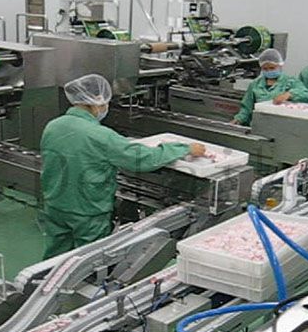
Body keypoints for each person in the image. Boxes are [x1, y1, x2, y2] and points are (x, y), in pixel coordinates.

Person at [40, 74, 206, 259]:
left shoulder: (53, 126)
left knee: (55, 256)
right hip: (87, 210)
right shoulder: (101, 135)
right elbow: (141, 158)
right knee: (89, 261)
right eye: (106, 103)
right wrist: (184, 149)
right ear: (97, 103)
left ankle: (45, 277)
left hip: (55, 204)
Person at [231, 49, 308, 126]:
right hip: (259, 126)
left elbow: (307, 95)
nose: (269, 71)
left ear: (280, 66)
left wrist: (289, 94)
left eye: (272, 68)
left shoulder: (290, 82)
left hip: (282, 126)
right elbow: (246, 108)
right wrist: (238, 120)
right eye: (265, 69)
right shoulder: (255, 84)